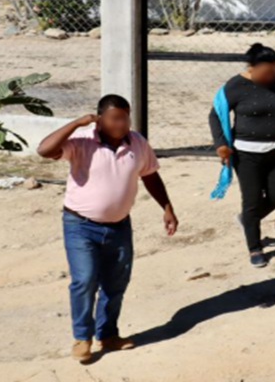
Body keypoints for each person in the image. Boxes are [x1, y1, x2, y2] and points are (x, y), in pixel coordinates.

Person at [38, 94, 178, 364]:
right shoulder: (81, 143)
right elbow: (44, 150)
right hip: (80, 225)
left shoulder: (137, 142)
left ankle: (108, 335)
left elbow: (150, 175)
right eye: (115, 118)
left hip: (119, 227)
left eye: (125, 117)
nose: (121, 124)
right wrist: (78, 123)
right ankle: (82, 338)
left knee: (116, 284)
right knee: (85, 280)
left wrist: (167, 207)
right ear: (100, 119)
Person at [209, 43, 275, 268]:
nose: (272, 75)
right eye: (267, 71)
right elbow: (215, 115)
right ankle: (255, 248)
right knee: (252, 200)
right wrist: (221, 145)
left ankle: (248, 219)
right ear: (252, 67)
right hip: (246, 155)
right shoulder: (236, 85)